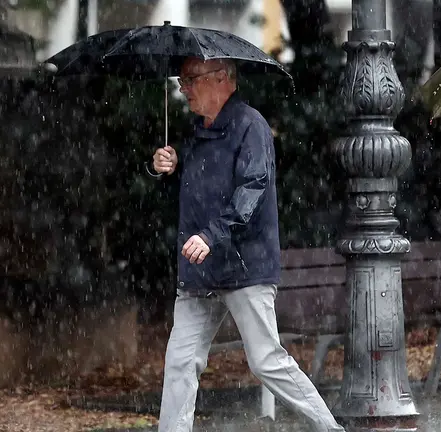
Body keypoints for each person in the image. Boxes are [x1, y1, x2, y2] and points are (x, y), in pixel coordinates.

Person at [149, 57, 345, 432]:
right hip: (201, 269)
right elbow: (193, 195)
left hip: (243, 267)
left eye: (190, 79)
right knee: (180, 362)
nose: (183, 88)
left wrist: (211, 235)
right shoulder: (195, 132)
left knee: (266, 361)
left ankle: (331, 429)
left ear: (222, 79)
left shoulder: (250, 126)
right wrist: (167, 169)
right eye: (181, 80)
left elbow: (251, 192)